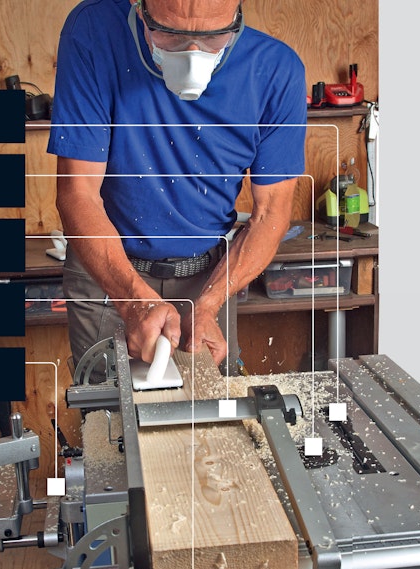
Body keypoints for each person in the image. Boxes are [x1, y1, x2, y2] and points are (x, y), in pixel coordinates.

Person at [48, 0, 306, 374]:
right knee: (106, 405)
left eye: (214, 36)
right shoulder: (93, 31)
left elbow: (271, 214)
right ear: (140, 8)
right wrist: (132, 299)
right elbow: (77, 193)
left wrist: (210, 303)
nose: (192, 54)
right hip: (107, 273)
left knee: (211, 403)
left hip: (210, 276)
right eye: (170, 33)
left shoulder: (276, 70)